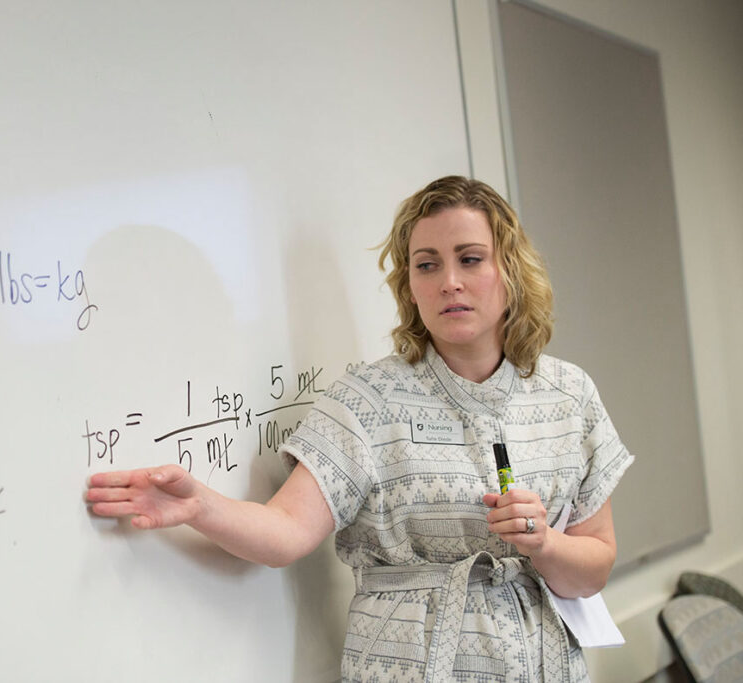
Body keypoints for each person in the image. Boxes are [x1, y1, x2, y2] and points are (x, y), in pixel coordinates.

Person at [86, 175, 633, 682]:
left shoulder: (570, 395)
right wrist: (200, 505)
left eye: (470, 259)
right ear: (409, 285)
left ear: (510, 271)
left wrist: (544, 545)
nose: (449, 282)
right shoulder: (367, 400)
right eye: (426, 264)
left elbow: (593, 569)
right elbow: (286, 532)